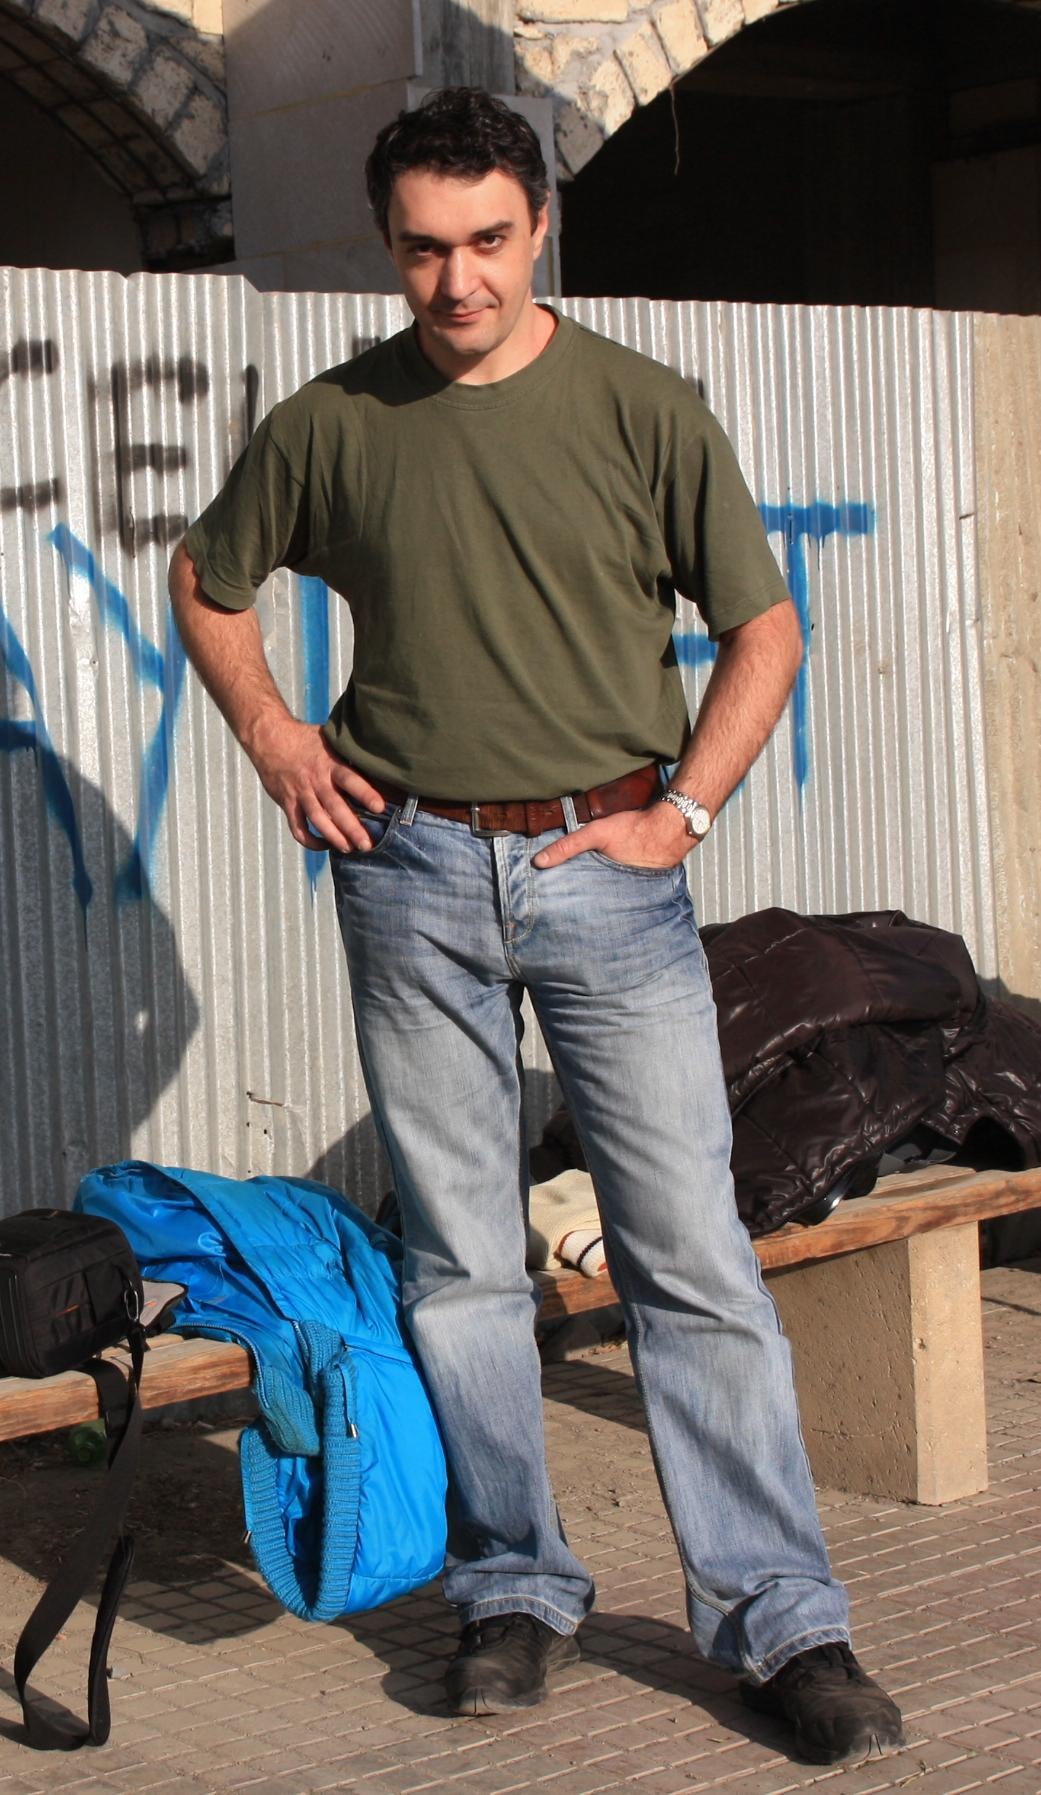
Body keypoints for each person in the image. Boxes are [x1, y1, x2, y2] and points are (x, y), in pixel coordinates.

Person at [169, 87, 905, 1766]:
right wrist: (279, 741)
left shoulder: (642, 410)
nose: (459, 282)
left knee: (688, 1257)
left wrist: (680, 815)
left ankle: (782, 1622)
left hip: (608, 871)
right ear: (388, 245)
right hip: (408, 872)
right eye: (424, 249)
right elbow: (209, 586)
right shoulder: (332, 423)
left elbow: (764, 630)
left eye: (488, 241)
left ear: (540, 226)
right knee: (458, 1264)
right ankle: (510, 1586)